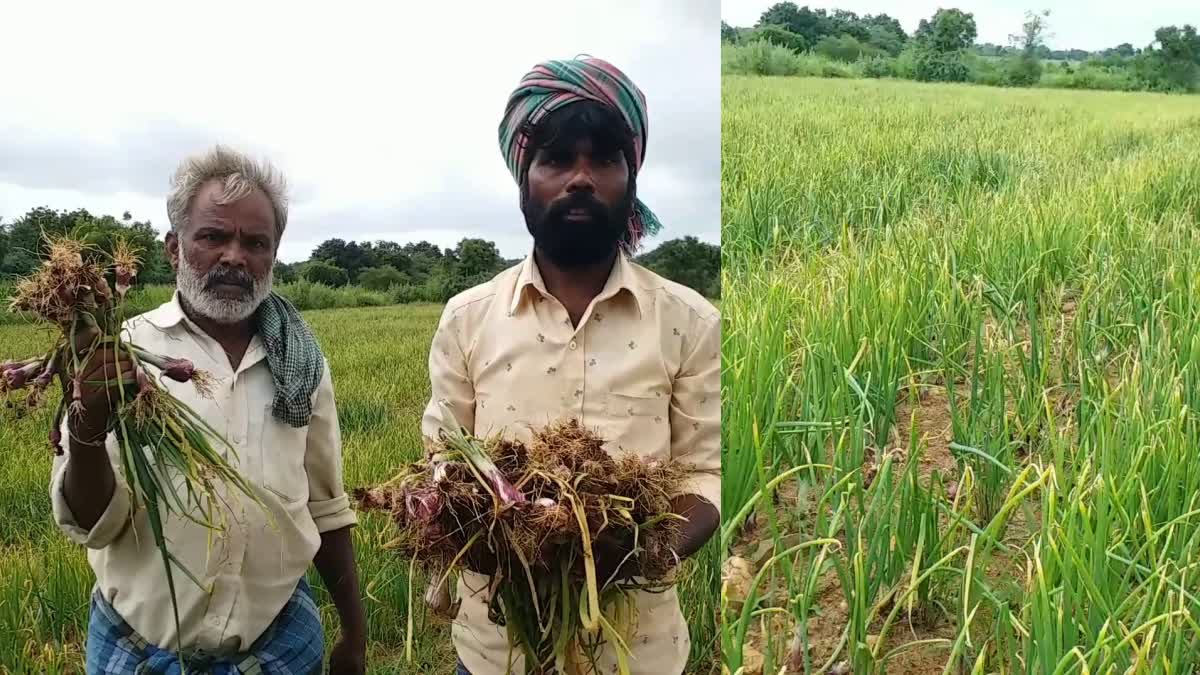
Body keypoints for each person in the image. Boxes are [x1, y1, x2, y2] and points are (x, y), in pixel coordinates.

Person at [421, 56, 721, 675]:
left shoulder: (688, 320)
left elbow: (705, 472)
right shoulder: (466, 318)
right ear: (524, 182)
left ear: (630, 180)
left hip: (637, 653)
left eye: (604, 160)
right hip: (495, 653)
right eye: (557, 161)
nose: (581, 179)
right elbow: (445, 459)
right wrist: (492, 540)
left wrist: (639, 551)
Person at [49, 146, 367, 674]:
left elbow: (325, 508)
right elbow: (91, 524)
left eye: (255, 243)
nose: (235, 257)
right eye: (213, 236)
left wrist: (354, 634)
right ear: (174, 248)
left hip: (280, 644)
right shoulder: (120, 354)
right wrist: (87, 427)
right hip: (140, 648)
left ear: (274, 255)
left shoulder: (301, 363)